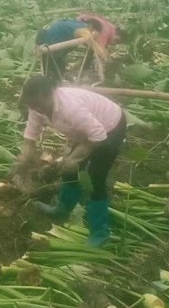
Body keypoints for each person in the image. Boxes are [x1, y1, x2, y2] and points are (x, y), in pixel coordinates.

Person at [12, 76, 126, 247]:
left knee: (96, 177)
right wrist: (23, 158)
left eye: (36, 104)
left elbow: (98, 135)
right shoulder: (37, 107)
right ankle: (62, 209)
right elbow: (30, 136)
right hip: (87, 130)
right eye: (31, 105)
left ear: (49, 94)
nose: (34, 108)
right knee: (68, 168)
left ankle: (100, 233)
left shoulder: (70, 107)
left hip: (110, 127)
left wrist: (76, 157)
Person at [36, 15, 120, 83]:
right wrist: (105, 58)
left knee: (51, 72)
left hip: (45, 39)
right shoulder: (83, 29)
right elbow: (92, 43)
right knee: (56, 74)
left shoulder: (75, 24)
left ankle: (49, 84)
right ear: (91, 27)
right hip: (49, 45)